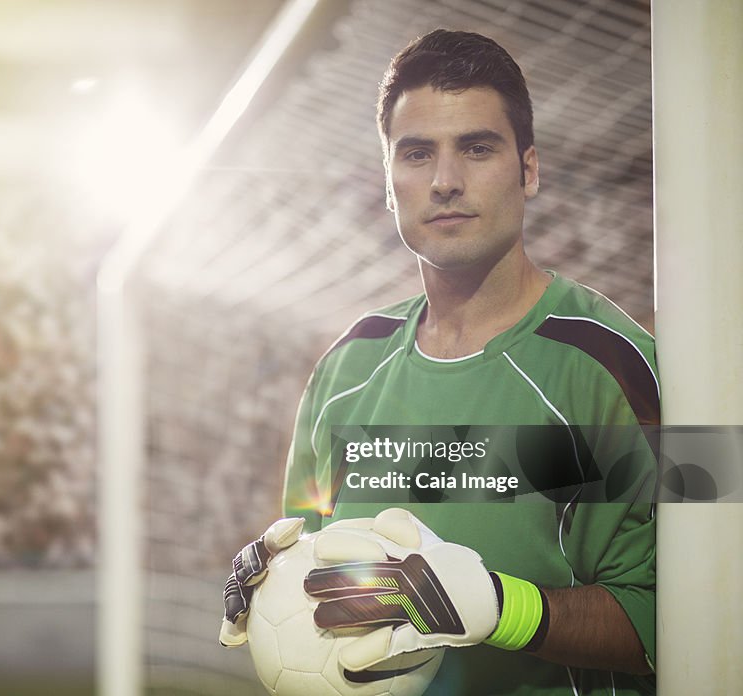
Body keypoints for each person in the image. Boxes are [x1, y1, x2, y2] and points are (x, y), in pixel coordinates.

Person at [221, 30, 658, 696]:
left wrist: (497, 607)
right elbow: (328, 580)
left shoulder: (616, 362)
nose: (446, 181)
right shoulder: (345, 367)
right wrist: (276, 581)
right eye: (417, 153)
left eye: (477, 148)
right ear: (390, 183)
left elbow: (693, 617)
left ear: (529, 169)